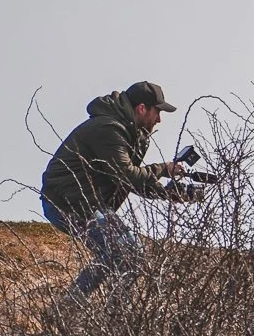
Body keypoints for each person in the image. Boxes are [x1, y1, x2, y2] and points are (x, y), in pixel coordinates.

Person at [39, 81, 189, 300]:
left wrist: (168, 193)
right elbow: (127, 174)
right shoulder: (109, 129)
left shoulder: (131, 134)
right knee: (126, 251)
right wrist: (163, 169)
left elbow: (130, 181)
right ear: (141, 108)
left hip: (87, 203)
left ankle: (81, 309)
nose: (159, 120)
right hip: (67, 203)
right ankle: (85, 310)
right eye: (157, 112)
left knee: (125, 253)